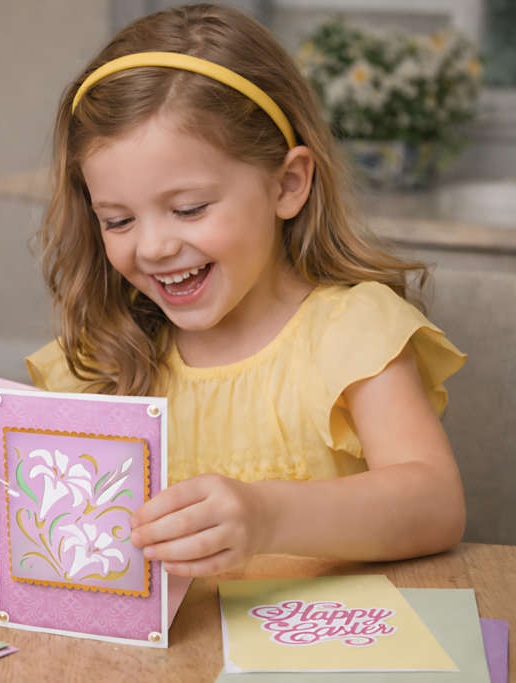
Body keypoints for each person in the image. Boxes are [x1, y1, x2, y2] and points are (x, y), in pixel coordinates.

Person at [26, 4, 467, 576]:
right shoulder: (104, 350)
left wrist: (268, 514)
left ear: (287, 185)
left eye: (189, 208)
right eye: (118, 221)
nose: (154, 246)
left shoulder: (352, 333)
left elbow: (436, 504)